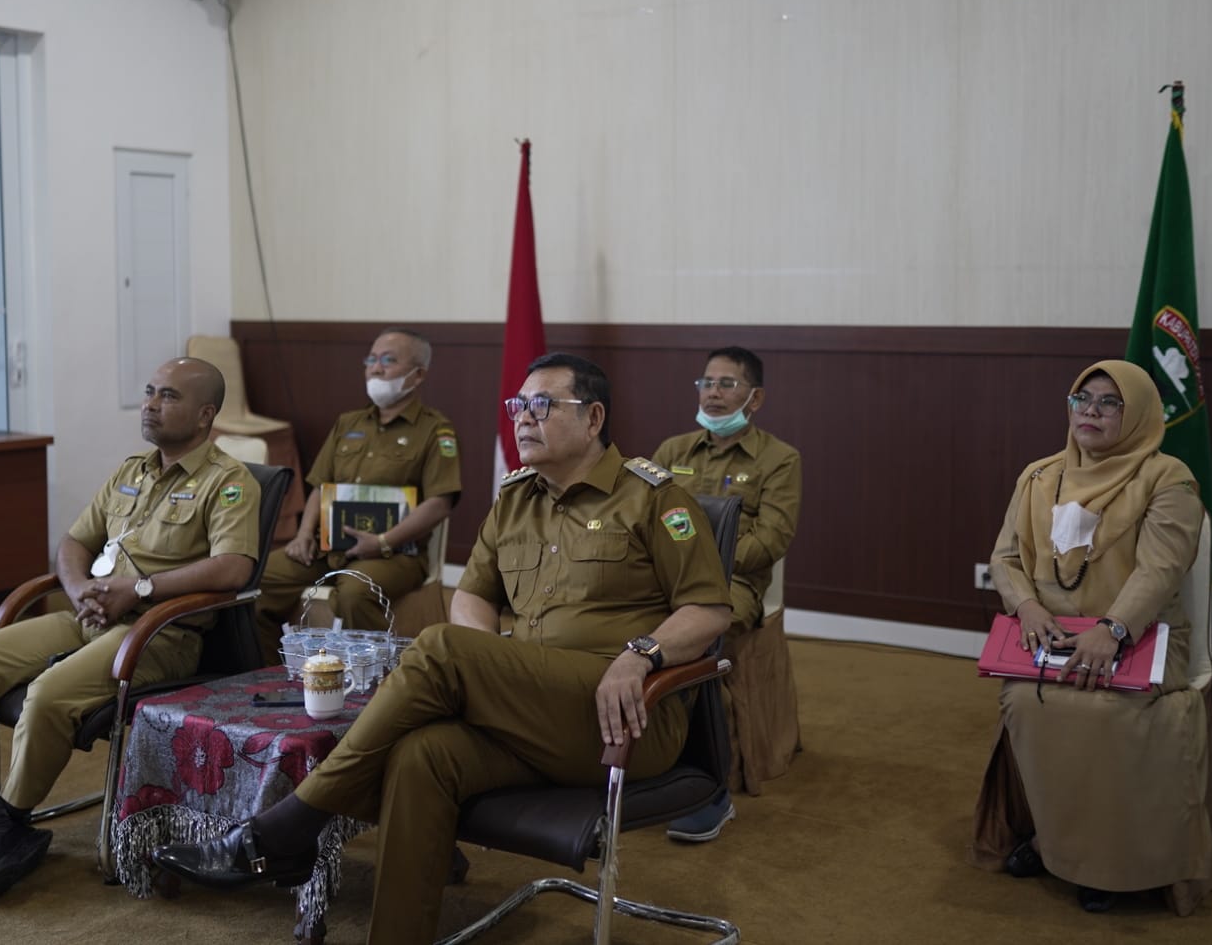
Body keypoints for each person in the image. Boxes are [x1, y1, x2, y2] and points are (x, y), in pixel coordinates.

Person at [154, 353, 732, 945]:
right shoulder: (515, 499)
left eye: (541, 406)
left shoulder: (654, 498)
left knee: (440, 650)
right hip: (530, 710)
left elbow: (710, 610)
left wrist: (641, 653)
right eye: (517, 407)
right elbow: (474, 596)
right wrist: (491, 672)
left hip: (623, 717)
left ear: (593, 418)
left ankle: (283, 830)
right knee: (422, 756)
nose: (523, 419)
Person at [0, 357, 260, 904]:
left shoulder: (227, 482)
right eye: (149, 392)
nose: (150, 404)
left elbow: (233, 568)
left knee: (46, 696)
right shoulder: (131, 471)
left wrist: (141, 590)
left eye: (167, 396)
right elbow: (74, 542)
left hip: (157, 634)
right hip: (90, 615)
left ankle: (8, 819)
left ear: (204, 415)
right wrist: (79, 588)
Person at [969, 360, 1212, 915]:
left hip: (1145, 637)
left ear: (1136, 413)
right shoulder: (1039, 476)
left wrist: (1112, 630)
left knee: (1109, 713)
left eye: (1108, 403)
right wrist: (1024, 606)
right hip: (1051, 635)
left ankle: (1115, 865)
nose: (1090, 412)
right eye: (1081, 399)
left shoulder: (1168, 478)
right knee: (1025, 699)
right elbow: (1004, 557)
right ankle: (1051, 840)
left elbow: (1160, 570)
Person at [652, 345, 802, 842]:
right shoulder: (672, 452)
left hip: (734, 586)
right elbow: (644, 522)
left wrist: (697, 561)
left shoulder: (779, 460)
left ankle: (709, 789)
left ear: (754, 398)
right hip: (669, 579)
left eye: (727, 385)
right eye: (706, 384)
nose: (713, 394)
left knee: (695, 645)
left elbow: (770, 542)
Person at [252, 328, 461, 663]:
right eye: (371, 359)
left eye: (388, 361)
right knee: (257, 581)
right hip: (326, 546)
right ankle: (264, 672)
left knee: (353, 593)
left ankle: (370, 683)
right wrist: (304, 535)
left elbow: (439, 504)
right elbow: (319, 486)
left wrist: (381, 542)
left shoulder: (436, 430)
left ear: (418, 374)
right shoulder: (348, 423)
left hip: (394, 554)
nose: (375, 368)